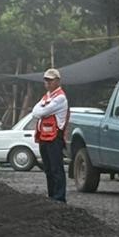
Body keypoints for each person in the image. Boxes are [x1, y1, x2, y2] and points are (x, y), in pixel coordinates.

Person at [31, 68, 69, 203]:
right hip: (44, 138)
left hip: (54, 138)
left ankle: (59, 197)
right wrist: (42, 111)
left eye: (50, 80)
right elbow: (35, 111)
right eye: (46, 80)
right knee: (48, 169)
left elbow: (41, 112)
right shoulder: (47, 96)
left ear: (57, 81)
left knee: (56, 168)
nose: (47, 83)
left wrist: (42, 111)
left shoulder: (60, 97)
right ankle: (52, 196)